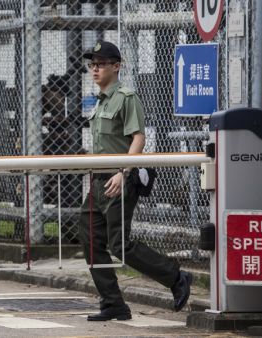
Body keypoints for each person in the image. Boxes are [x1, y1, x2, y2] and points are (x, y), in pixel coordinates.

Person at [79, 41, 192, 321]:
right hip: (98, 182)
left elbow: (138, 139)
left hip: (119, 180)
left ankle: (176, 277)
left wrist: (124, 171)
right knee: (90, 239)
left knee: (119, 245)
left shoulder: (126, 97)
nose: (95, 69)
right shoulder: (101, 100)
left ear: (116, 66)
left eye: (102, 63)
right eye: (93, 64)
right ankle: (113, 303)